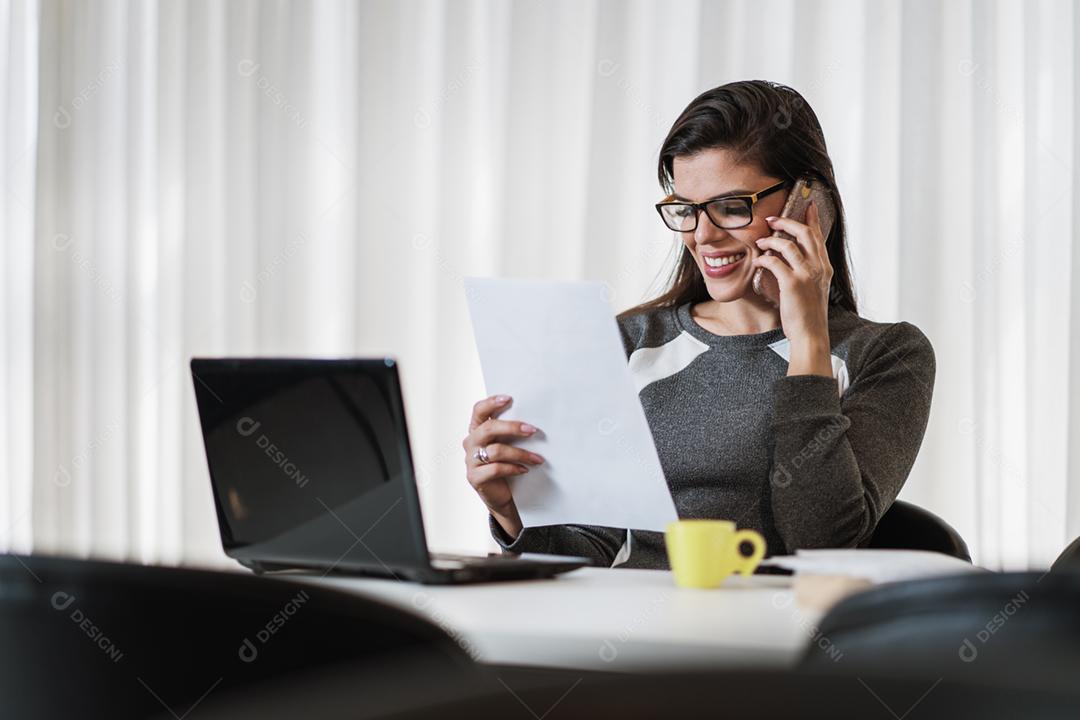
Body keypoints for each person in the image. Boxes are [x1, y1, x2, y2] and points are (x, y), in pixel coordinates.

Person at [461, 80, 935, 569]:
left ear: (806, 204)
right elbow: (592, 554)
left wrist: (809, 338)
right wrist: (512, 513)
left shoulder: (888, 354)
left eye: (731, 207)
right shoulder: (628, 343)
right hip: (626, 616)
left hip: (776, 619)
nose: (703, 236)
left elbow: (823, 542)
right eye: (687, 210)